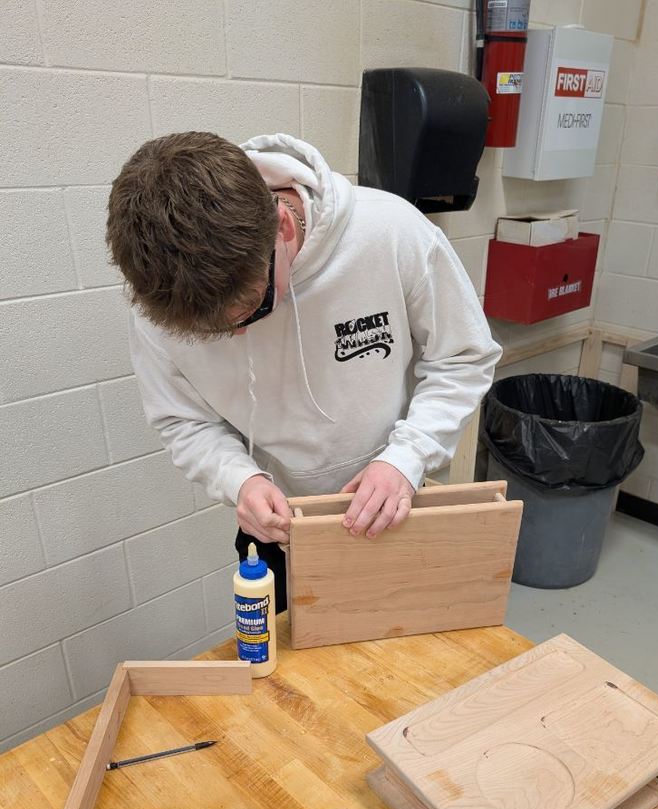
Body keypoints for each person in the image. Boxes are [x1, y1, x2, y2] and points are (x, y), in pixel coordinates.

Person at [107, 131, 501, 612]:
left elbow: (464, 356)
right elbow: (183, 420)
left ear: (282, 228)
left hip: (394, 507)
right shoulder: (160, 301)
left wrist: (407, 457)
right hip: (278, 528)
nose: (235, 338)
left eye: (252, 309)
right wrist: (239, 481)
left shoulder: (392, 232)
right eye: (209, 332)